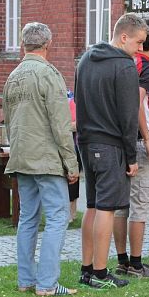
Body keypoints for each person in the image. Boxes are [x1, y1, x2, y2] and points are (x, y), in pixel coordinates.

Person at [3, 22, 79, 297]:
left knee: (28, 218)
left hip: (22, 155)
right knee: (58, 217)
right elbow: (61, 124)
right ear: (48, 44)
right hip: (46, 158)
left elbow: (9, 120)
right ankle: (46, 283)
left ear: (24, 44)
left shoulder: (12, 76)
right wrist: (72, 164)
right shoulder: (49, 74)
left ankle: (27, 279)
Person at [76, 13, 147, 289]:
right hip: (110, 146)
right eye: (138, 42)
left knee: (92, 206)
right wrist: (131, 157)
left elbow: (77, 101)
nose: (140, 49)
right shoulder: (125, 66)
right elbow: (129, 117)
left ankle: (86, 269)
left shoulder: (85, 59)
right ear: (124, 36)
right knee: (106, 208)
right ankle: (100, 272)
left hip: (86, 141)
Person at [113, 19, 149, 278]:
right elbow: (138, 103)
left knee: (122, 205)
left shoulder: (121, 62)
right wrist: (147, 138)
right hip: (137, 142)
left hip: (118, 141)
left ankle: (122, 260)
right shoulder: (147, 67)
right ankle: (136, 264)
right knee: (141, 205)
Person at [67, 91, 81, 223]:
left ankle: (72, 212)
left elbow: (77, 124)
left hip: (76, 146)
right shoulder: (67, 101)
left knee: (72, 179)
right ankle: (70, 212)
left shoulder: (73, 103)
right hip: (68, 146)